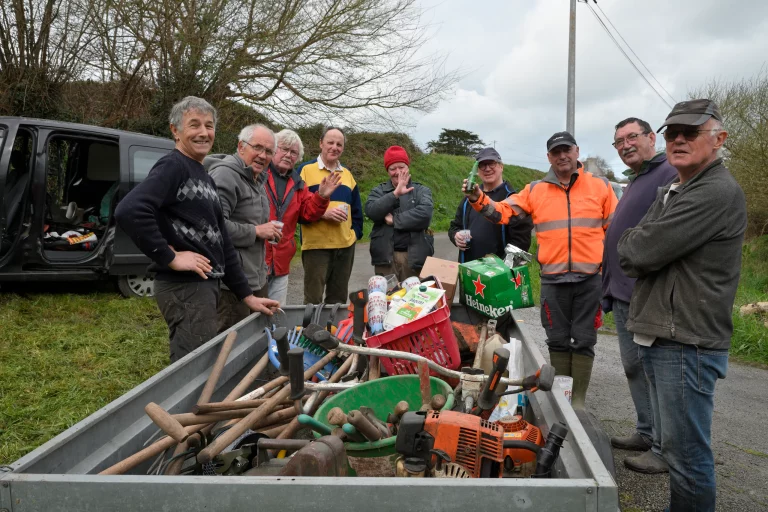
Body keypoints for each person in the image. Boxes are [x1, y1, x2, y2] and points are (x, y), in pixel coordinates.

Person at [618, 99, 746, 511]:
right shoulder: (678, 187)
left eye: (690, 133)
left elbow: (637, 251)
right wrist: (638, 241)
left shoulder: (714, 191)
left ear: (719, 139)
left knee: (687, 458)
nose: (677, 139)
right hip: (667, 334)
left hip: (686, 340)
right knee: (676, 451)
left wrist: (637, 241)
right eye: (672, 132)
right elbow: (637, 244)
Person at [115, 97, 278, 363]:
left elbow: (223, 242)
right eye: (194, 125)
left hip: (204, 286)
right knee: (191, 367)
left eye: (209, 125)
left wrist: (247, 296)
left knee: (201, 361)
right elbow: (130, 209)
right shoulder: (174, 166)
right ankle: (182, 407)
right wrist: (171, 257)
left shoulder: (202, 174)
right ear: (175, 131)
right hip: (184, 287)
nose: (203, 132)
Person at [463, 132, 617, 409]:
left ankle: (578, 402)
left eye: (566, 150)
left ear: (576, 151)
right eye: (556, 152)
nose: (562, 156)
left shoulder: (601, 187)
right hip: (553, 280)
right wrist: (478, 198)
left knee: (584, 340)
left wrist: (611, 274)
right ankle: (562, 397)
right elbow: (501, 212)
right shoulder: (535, 190)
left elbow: (615, 231)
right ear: (549, 157)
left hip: (590, 279)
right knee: (557, 340)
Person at [603, 117, 678, 474]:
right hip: (622, 294)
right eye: (618, 141)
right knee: (634, 367)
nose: (625, 145)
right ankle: (646, 432)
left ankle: (665, 448)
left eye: (632, 137)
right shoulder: (638, 179)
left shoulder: (669, 172)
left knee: (653, 370)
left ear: (652, 137)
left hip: (646, 295)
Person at [205, 124, 280, 332]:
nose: (262, 155)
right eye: (257, 147)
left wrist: (267, 230)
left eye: (268, 151)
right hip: (231, 283)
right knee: (231, 346)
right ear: (241, 146)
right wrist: (256, 232)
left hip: (256, 277)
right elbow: (214, 228)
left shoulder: (257, 179)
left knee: (256, 337)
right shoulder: (225, 175)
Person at [265, 129, 341, 305]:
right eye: (284, 149)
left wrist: (321, 196)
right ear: (273, 149)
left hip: (282, 261)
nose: (288, 155)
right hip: (255, 261)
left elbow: (308, 213)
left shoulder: (298, 183)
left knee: (276, 314)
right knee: (250, 316)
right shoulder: (258, 175)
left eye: (293, 152)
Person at [298, 127, 363, 304]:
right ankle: (311, 332)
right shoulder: (305, 170)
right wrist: (323, 213)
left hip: (345, 246)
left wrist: (355, 234)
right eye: (330, 142)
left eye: (339, 144)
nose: (335, 147)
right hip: (316, 247)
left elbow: (357, 211)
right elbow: (297, 208)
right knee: (313, 300)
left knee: (338, 301)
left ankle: (335, 332)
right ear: (321, 143)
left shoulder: (347, 174)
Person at [449, 147, 532, 263]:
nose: (487, 169)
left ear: (501, 166)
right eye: (482, 165)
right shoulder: (469, 198)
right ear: (477, 170)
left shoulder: (512, 199)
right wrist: (455, 236)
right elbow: (454, 226)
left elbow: (521, 242)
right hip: (470, 271)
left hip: (499, 274)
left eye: (491, 164)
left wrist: (503, 268)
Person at [365, 145, 435, 281]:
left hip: (414, 259)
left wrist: (395, 220)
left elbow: (425, 214)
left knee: (414, 300)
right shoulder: (378, 191)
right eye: (392, 168)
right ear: (387, 171)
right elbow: (372, 211)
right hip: (385, 260)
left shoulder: (421, 190)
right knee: (387, 299)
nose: (397, 172)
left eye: (401, 167)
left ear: (408, 167)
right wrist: (395, 194)